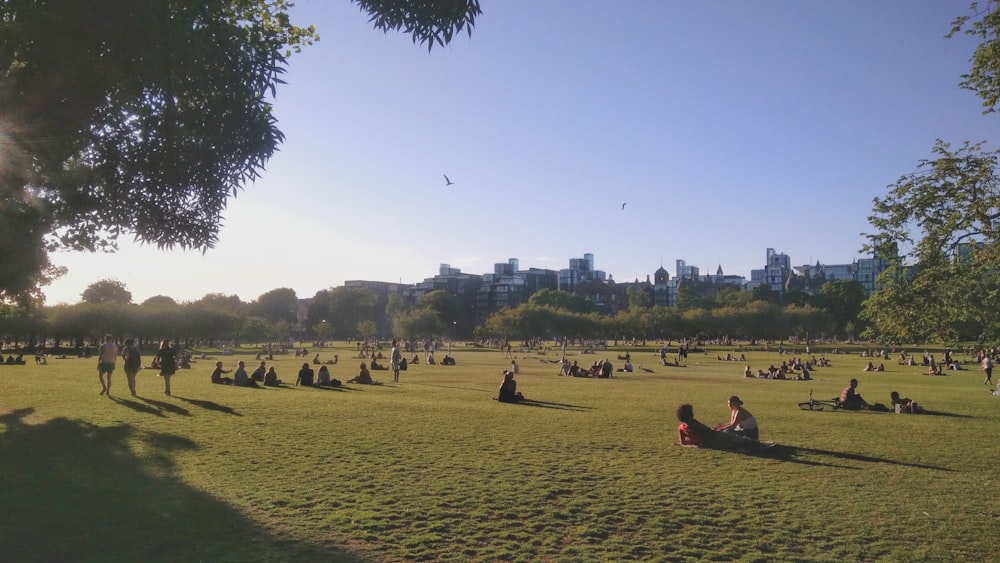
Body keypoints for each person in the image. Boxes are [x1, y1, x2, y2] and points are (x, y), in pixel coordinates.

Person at [676, 404, 772, 450]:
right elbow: (707, 430)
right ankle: (762, 445)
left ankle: (757, 447)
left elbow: (683, 442)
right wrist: (717, 429)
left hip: (712, 444)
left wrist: (693, 441)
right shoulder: (694, 423)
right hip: (716, 437)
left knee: (737, 446)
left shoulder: (681, 428)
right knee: (739, 440)